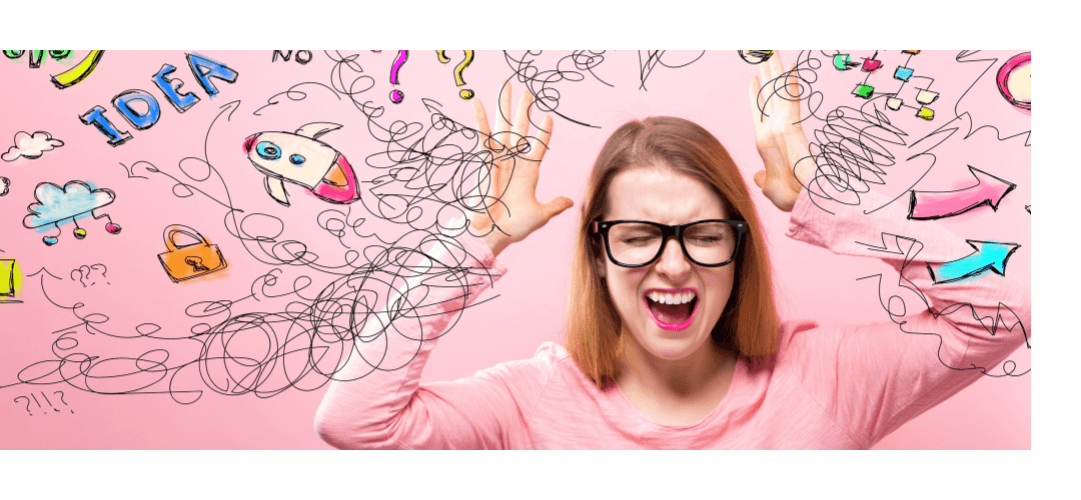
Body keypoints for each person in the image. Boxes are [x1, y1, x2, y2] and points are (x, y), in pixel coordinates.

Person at [314, 54, 1030, 449]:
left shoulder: (828, 377)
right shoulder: (527, 402)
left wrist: (827, 206)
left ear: (740, 251)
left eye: (704, 234)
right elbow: (353, 421)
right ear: (597, 255)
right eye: (637, 237)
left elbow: (1009, 310)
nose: (674, 264)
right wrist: (477, 239)